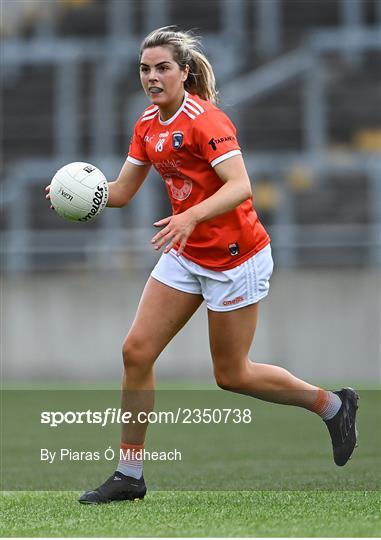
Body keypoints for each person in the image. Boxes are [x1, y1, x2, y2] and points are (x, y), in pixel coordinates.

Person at [46, 26, 358, 504]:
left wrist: (189, 216)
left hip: (237, 256)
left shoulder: (206, 120)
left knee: (232, 374)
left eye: (162, 68)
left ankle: (332, 405)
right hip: (185, 250)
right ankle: (129, 474)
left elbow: (240, 186)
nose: (152, 77)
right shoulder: (147, 124)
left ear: (184, 72)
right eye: (145, 69)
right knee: (136, 352)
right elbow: (123, 192)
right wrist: (80, 196)